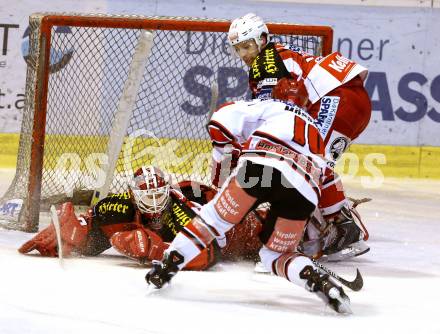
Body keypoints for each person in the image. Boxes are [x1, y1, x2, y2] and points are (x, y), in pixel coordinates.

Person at [146, 100, 352, 314]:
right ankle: (320, 281)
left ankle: (166, 267)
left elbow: (219, 123)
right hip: (304, 187)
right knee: (276, 255)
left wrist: (221, 175)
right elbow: (331, 189)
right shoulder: (318, 132)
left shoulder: (269, 105)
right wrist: (336, 216)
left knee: (212, 221)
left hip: (260, 167)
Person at [224, 13, 371, 261]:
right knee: (312, 162)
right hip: (354, 104)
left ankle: (342, 227)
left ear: (262, 39)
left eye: (247, 46)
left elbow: (282, 110)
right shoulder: (276, 54)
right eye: (238, 49)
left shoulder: (266, 63)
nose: (244, 55)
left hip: (337, 100)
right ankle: (334, 225)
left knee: (304, 161)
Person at [18, 166, 263, 270]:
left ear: (168, 192)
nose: (155, 204)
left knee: (269, 235)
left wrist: (159, 252)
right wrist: (76, 234)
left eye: (159, 195)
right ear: (133, 196)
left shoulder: (180, 210)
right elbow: (96, 232)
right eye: (148, 197)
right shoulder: (117, 206)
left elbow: (212, 252)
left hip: (240, 229)